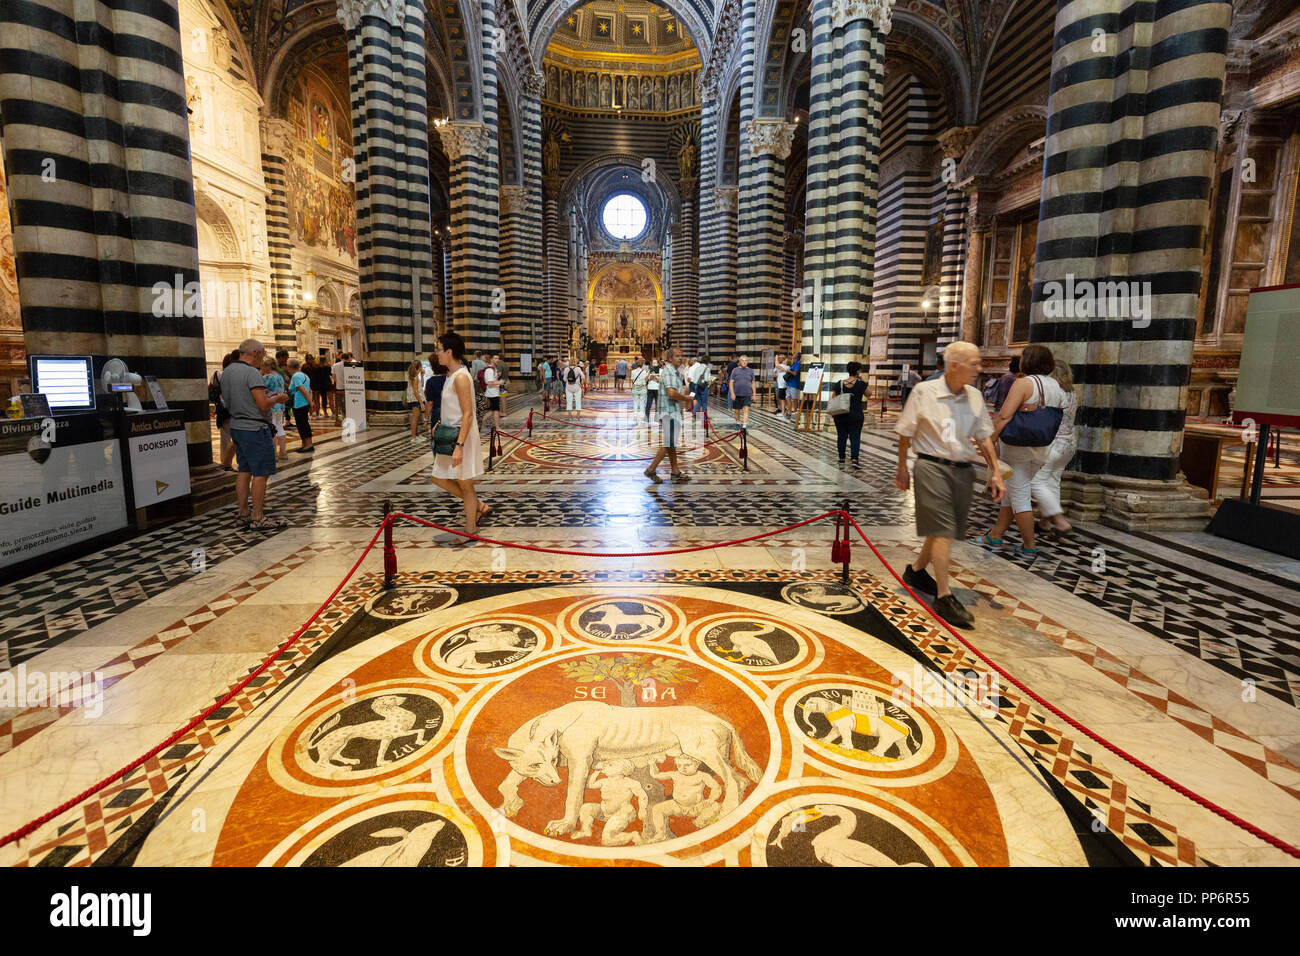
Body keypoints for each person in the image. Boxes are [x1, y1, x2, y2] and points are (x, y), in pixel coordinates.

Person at [894, 341, 1005, 629]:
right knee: (943, 530)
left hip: (963, 471)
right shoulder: (924, 392)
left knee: (944, 529)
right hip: (931, 467)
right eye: (974, 363)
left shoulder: (975, 397)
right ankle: (944, 595)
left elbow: (983, 437)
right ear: (954, 364)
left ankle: (916, 571)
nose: (979, 369)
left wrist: (995, 471)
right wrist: (901, 468)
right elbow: (906, 433)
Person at [976, 344, 1064, 557]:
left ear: (1029, 361)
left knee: (1020, 495)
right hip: (1042, 446)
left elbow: (1005, 416)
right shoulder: (1055, 385)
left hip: (1018, 447)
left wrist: (989, 441)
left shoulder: (1024, 383)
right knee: (1014, 492)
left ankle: (1029, 545)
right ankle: (995, 535)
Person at [223, 339, 291, 531]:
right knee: (261, 473)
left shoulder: (228, 371)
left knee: (244, 470)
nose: (263, 357)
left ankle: (243, 513)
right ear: (255, 353)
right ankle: (258, 517)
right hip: (255, 428)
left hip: (237, 426)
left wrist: (264, 397)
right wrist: (277, 398)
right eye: (263, 353)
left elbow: (238, 399)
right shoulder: (251, 372)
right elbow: (262, 404)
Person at [430, 331, 490, 543]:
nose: (436, 354)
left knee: (465, 484)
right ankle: (478, 506)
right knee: (438, 477)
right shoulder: (451, 375)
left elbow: (467, 414)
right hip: (450, 436)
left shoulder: (462, 377)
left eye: (439, 349)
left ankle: (470, 529)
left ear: (449, 351)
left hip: (460, 438)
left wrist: (460, 446)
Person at [1030, 358, 1079, 539]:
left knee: (1036, 482)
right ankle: (1045, 522)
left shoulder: (1054, 392)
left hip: (1052, 445)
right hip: (1068, 445)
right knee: (1052, 482)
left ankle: (1059, 520)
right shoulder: (1072, 392)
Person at [643, 346, 694, 484]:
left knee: (671, 443)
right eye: (677, 356)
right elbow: (671, 393)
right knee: (668, 443)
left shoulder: (674, 372)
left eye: (681, 355)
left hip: (671, 411)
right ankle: (651, 469)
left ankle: (675, 471)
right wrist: (686, 398)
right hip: (669, 411)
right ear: (670, 358)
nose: (680, 358)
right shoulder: (670, 372)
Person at [832, 362, 869, 465]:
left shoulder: (839, 384)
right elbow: (869, 394)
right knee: (855, 437)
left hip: (840, 415)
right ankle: (854, 459)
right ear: (857, 371)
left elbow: (833, 398)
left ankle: (841, 458)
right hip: (856, 415)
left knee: (841, 436)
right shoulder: (861, 384)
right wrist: (862, 380)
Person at [213, 349, 239, 471]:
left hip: (222, 409)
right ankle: (235, 461)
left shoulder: (216, 374)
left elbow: (211, 390)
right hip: (234, 408)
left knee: (225, 436)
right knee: (237, 436)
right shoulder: (232, 375)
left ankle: (225, 461)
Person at [261, 356, 288, 460]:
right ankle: (283, 452)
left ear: (268, 366)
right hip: (280, 405)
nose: (262, 369)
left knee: (272, 429)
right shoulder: (279, 376)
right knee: (279, 427)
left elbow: (261, 390)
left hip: (271, 405)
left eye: (263, 366)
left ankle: (274, 454)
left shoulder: (267, 377)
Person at [286, 358, 314, 453]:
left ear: (290, 367)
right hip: (304, 403)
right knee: (303, 424)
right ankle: (305, 444)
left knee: (302, 424)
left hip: (299, 403)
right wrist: (310, 401)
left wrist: (310, 402)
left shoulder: (296, 376)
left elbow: (302, 390)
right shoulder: (304, 375)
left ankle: (309, 444)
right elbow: (310, 390)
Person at [728, 355, 755, 428]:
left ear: (747, 362)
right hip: (737, 394)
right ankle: (737, 422)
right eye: (742, 360)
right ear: (739, 362)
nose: (744, 362)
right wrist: (732, 393)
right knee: (737, 410)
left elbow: (753, 383)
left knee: (746, 409)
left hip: (747, 394)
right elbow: (731, 382)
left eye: (746, 360)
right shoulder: (735, 370)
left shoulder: (750, 371)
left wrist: (754, 394)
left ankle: (744, 427)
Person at [405, 360, 426, 442]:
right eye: (421, 366)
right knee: (415, 418)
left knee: (417, 418)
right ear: (419, 367)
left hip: (416, 399)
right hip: (416, 400)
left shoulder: (416, 376)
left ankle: (416, 435)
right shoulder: (415, 377)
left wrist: (422, 376)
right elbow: (415, 391)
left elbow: (421, 386)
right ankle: (413, 437)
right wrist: (421, 402)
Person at [686, 355, 711, 419]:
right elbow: (706, 379)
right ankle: (704, 416)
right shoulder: (706, 368)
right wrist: (710, 381)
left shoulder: (697, 368)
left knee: (699, 400)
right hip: (703, 386)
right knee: (704, 402)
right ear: (708, 361)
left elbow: (694, 378)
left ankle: (694, 412)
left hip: (696, 386)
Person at [483, 354, 502, 432]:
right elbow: (490, 383)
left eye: (498, 358)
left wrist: (497, 377)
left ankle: (496, 427)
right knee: (495, 410)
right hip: (492, 393)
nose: (497, 360)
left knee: (493, 410)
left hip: (494, 392)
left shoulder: (494, 369)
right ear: (491, 360)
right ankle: (497, 428)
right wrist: (499, 382)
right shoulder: (490, 370)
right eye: (495, 358)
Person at [331, 352, 346, 423]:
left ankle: (340, 418)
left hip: (339, 387)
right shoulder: (349, 365)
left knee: (339, 404)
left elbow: (333, 376)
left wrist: (337, 382)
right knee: (347, 403)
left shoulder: (335, 365)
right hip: (348, 387)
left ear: (341, 358)